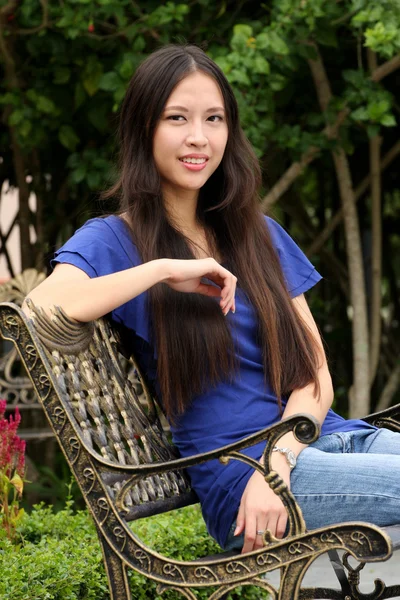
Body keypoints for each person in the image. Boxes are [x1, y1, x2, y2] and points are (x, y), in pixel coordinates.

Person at [25, 44, 400, 555]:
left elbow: (315, 377)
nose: (198, 137)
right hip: (241, 478)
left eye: (214, 118)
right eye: (177, 118)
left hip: (315, 447)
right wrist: (161, 270)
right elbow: (41, 310)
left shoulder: (259, 235)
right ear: (144, 130)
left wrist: (280, 461)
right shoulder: (112, 240)